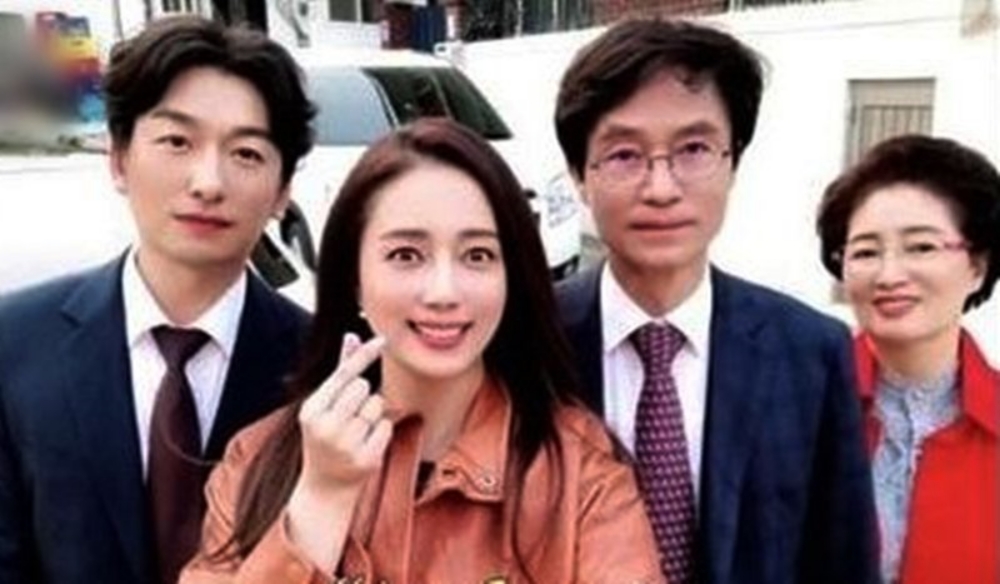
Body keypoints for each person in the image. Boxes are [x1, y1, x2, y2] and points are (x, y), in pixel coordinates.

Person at [180, 118, 664, 584]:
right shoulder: (259, 461)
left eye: (477, 255)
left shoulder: (581, 474)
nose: (443, 292)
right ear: (354, 278)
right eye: (406, 255)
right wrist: (320, 499)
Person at [553, 18, 878, 583]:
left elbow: (842, 563)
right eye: (625, 155)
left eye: (694, 149)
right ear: (581, 176)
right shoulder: (529, 339)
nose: (661, 188)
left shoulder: (811, 352)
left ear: (733, 162)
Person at [0, 16, 313, 584]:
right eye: (176, 142)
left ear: (282, 191)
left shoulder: (327, 366)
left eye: (246, 153)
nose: (208, 182)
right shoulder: (15, 344)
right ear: (119, 159)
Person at [816, 134, 999, 584]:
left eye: (921, 247)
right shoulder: (795, 408)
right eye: (865, 252)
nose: (889, 274)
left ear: (977, 267)